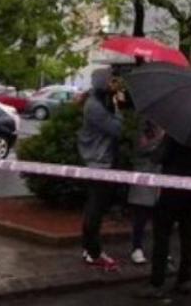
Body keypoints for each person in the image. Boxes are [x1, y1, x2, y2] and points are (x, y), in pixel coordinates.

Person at [137, 136, 191, 299]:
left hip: (172, 192)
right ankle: (185, 279)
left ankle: (156, 283)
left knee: (161, 235)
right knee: (188, 233)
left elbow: (158, 157)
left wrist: (154, 143)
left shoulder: (175, 133)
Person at [78, 67, 124, 271]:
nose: (113, 86)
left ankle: (90, 249)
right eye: (110, 82)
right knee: (95, 209)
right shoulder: (95, 107)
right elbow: (117, 129)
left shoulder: (97, 103)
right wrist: (118, 108)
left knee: (96, 208)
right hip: (99, 163)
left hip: (101, 161)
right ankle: (93, 251)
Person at [128, 119, 163, 265]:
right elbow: (140, 148)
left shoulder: (165, 126)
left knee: (160, 218)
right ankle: (137, 248)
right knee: (140, 216)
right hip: (143, 175)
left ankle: (161, 250)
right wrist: (159, 141)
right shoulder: (143, 126)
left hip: (160, 177)